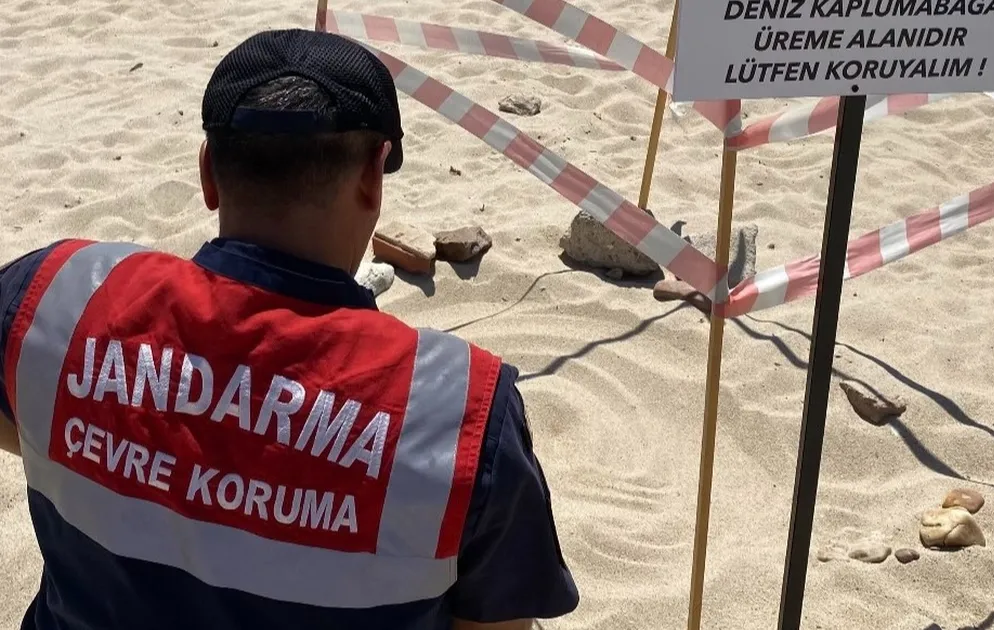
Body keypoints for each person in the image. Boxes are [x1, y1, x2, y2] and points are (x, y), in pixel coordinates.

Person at [0, 28, 578, 630]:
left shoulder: (54, 293)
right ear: (371, 180)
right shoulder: (460, 412)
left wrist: (137, 448)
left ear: (207, 174)